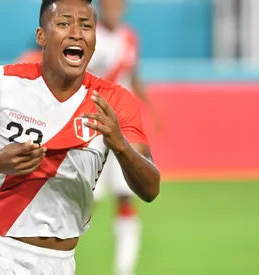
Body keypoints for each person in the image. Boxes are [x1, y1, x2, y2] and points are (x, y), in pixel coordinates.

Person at [0, 0, 160, 274]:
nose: (76, 33)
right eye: (63, 23)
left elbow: (150, 188)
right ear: (41, 36)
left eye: (86, 26)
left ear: (94, 39)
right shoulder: (1, 82)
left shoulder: (115, 101)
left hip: (59, 263)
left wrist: (119, 145)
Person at [85, 1, 159, 275]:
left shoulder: (129, 37)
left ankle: (124, 269)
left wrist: (152, 107)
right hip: (91, 125)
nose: (114, 8)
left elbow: (133, 75)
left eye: (118, 4)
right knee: (84, 196)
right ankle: (55, 256)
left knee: (125, 195)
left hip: (123, 126)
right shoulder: (89, 35)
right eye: (109, 4)